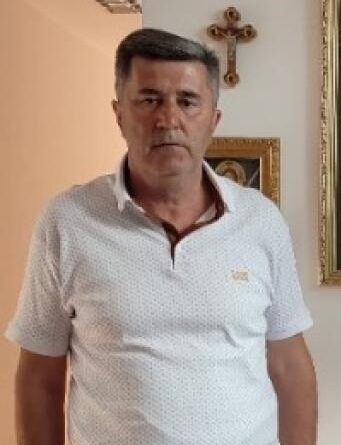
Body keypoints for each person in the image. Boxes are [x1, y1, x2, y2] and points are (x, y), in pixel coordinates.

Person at [6, 28, 317, 445]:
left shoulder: (260, 221)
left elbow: (290, 367)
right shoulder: (68, 221)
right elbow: (39, 378)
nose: (168, 119)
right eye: (149, 99)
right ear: (119, 114)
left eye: (187, 101)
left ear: (213, 119)